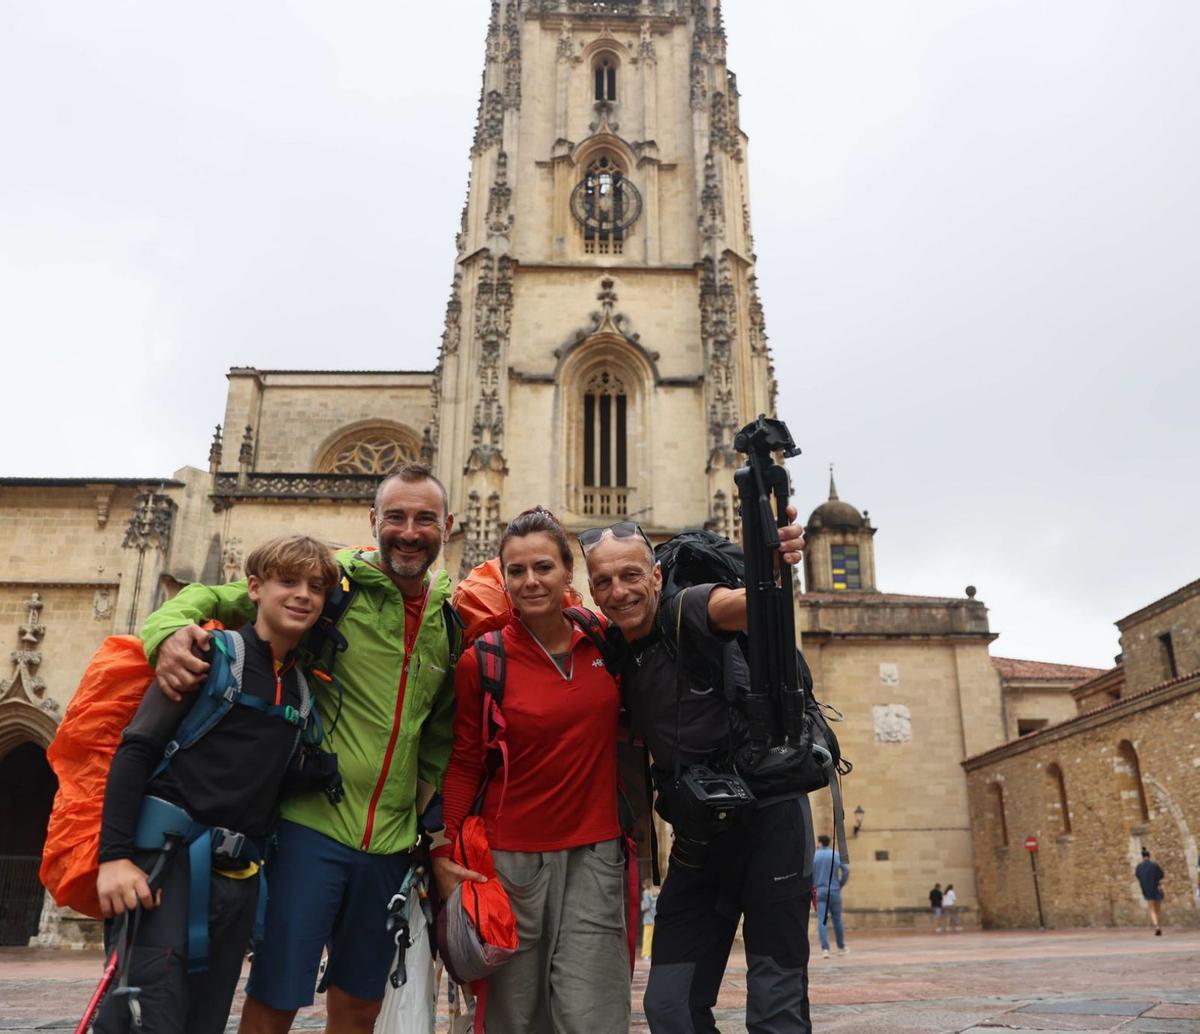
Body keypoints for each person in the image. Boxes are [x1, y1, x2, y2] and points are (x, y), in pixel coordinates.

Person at [141, 463, 459, 1034]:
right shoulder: (331, 590)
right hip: (311, 828)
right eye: (396, 517)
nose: (409, 531)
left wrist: (428, 832)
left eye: (424, 518)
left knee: (360, 1006)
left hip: (390, 844)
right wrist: (166, 635)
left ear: (448, 526)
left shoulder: (448, 620)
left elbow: (437, 736)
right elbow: (211, 595)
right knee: (276, 999)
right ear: (373, 522)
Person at [94, 535, 339, 1034]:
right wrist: (114, 857)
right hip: (164, 867)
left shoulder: (302, 686)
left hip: (239, 878)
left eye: (315, 587)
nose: (302, 595)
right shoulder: (208, 654)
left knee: (205, 1021)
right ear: (254, 587)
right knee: (148, 1016)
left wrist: (309, 777)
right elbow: (137, 748)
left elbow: (246, 772)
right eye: (287, 582)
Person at [582, 515, 809, 1034]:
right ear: (592, 590)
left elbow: (744, 605)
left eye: (631, 576)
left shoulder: (688, 607)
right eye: (604, 581)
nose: (619, 592)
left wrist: (769, 572)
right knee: (669, 1006)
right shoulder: (613, 650)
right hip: (701, 837)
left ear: (656, 576)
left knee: (777, 1006)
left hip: (771, 820)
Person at [432, 507, 630, 1034]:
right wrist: (446, 851)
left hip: (596, 852)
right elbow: (466, 760)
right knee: (513, 1015)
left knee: (594, 1010)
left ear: (569, 572)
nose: (530, 581)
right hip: (510, 860)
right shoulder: (485, 659)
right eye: (515, 570)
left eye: (543, 567)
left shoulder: (604, 639)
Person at [812, 834, 849, 958]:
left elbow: (808, 873)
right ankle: (841, 947)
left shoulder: (815, 856)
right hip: (834, 890)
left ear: (820, 843)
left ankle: (825, 950)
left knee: (822, 920)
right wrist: (840, 883)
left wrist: (813, 886)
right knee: (837, 919)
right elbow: (846, 870)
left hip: (820, 891)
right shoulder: (835, 854)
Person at [1135, 847, 1165, 935]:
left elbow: (1138, 876)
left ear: (1142, 856)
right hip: (1156, 888)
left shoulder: (1139, 867)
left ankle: (1157, 926)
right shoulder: (1154, 865)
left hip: (1147, 889)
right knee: (1158, 909)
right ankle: (1159, 925)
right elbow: (1161, 875)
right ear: (1149, 856)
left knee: (1151, 909)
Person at [641, 878, 658, 961]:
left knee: (647, 937)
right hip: (655, 917)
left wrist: (642, 905)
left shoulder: (645, 893)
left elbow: (646, 905)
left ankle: (646, 953)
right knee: (653, 938)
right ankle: (652, 953)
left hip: (648, 918)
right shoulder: (656, 892)